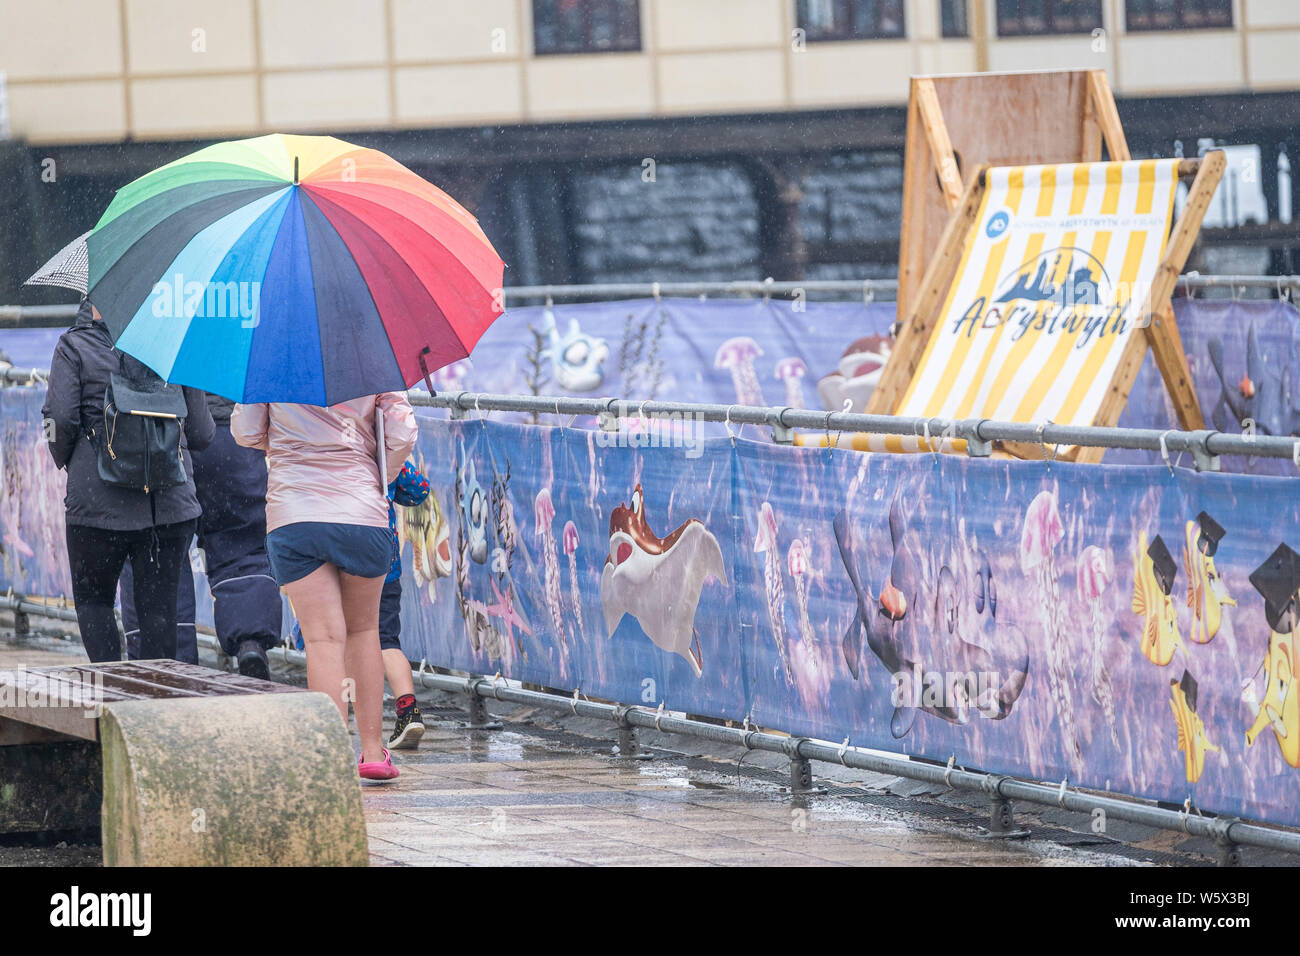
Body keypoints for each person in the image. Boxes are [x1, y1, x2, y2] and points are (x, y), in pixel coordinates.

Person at [231, 392, 416, 781]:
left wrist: (282, 439)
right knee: (365, 631)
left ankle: (330, 754)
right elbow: (402, 433)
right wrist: (378, 473)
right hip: (362, 512)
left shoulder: (272, 357)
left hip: (294, 513)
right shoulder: (372, 353)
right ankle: (371, 753)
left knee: (323, 640)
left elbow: (245, 431)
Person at [42, 297, 215, 663]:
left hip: (96, 504)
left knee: (94, 601)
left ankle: (110, 692)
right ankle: (156, 700)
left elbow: (60, 418)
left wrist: (74, 462)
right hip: (168, 503)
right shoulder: (173, 345)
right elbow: (201, 432)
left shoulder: (75, 346)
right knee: (160, 611)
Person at [383, 460, 431, 749]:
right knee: (385, 641)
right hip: (381, 557)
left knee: (333, 637)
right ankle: (408, 710)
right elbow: (418, 488)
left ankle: (340, 708)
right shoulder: (381, 440)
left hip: (328, 550)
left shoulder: (309, 433)